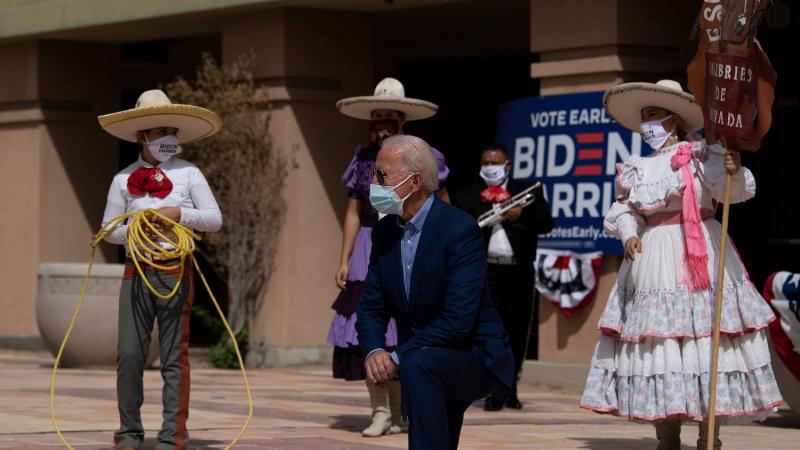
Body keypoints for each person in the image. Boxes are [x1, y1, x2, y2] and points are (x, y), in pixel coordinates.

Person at [579, 80, 783, 450]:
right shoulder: (635, 167)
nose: (647, 124)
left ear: (674, 119)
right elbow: (626, 209)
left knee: (709, 343)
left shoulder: (702, 154)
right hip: (653, 258)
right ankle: (667, 436)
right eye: (644, 117)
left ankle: (710, 437)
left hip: (700, 251)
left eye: (653, 115)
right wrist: (628, 234)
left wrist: (731, 166)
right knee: (660, 345)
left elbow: (729, 193)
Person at [356, 135, 514, 450]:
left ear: (414, 181)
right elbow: (371, 305)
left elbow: (458, 319)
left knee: (417, 365)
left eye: (382, 175)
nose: (373, 182)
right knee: (428, 396)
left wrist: (398, 356)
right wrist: (375, 351)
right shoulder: (385, 231)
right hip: (426, 354)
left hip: (474, 353)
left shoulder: (459, 229)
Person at [98, 89, 223, 450]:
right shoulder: (123, 179)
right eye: (160, 131)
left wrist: (177, 214)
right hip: (136, 271)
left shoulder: (189, 174)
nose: (169, 137)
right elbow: (108, 230)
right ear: (143, 137)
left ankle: (172, 438)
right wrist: (137, 226)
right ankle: (129, 434)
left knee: (173, 357)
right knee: (131, 355)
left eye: (172, 130)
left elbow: (214, 219)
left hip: (174, 269)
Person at [328, 78, 450, 437]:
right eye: (376, 116)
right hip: (370, 243)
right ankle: (380, 410)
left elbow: (442, 205)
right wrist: (345, 258)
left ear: (402, 121)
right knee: (372, 325)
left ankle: (401, 412)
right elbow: (353, 211)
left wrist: (442, 249)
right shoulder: (363, 158)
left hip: (408, 240)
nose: (381, 122)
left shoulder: (425, 157)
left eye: (389, 116)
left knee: (405, 328)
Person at [454, 143, 553, 411]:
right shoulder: (467, 196)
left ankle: (510, 389)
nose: (489, 168)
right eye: (485, 163)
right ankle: (492, 389)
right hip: (486, 271)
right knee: (489, 332)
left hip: (519, 270)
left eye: (494, 163)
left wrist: (520, 216)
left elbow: (546, 223)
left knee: (517, 331)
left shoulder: (528, 190)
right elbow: (461, 231)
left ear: (506, 166)